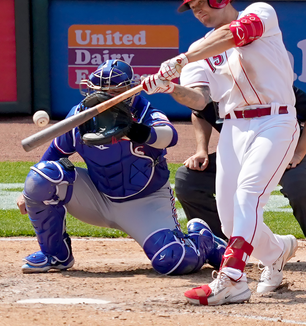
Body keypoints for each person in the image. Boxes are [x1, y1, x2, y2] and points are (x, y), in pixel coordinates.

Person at [142, 0, 300, 305]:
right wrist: (169, 87)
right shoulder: (197, 53)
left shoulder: (260, 13)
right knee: (230, 219)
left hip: (276, 120)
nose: (198, 11)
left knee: (248, 195)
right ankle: (277, 251)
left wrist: (184, 59)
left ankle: (232, 279)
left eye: (201, 3)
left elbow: (236, 35)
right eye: (192, 7)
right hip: (234, 127)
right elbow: (200, 100)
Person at [15, 60, 227, 277]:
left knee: (173, 260)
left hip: (145, 203)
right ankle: (55, 255)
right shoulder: (81, 116)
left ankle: (203, 239)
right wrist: (28, 192)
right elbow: (56, 152)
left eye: (115, 91)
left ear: (129, 91)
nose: (106, 96)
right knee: (42, 176)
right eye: (100, 90)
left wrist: (134, 131)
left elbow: (169, 136)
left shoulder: (144, 112)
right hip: (98, 196)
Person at [173, 83, 306, 269]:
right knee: (188, 178)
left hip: (288, 144)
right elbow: (199, 113)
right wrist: (201, 150)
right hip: (242, 150)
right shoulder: (211, 86)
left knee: (297, 183)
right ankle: (219, 245)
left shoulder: (267, 80)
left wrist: (299, 154)